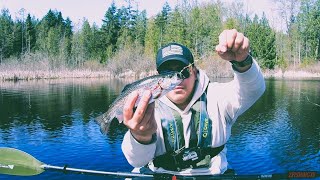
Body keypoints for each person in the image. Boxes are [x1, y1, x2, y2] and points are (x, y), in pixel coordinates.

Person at [121, 29, 266, 176]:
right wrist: (141, 137)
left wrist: (242, 60)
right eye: (167, 74)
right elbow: (136, 161)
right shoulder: (148, 106)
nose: (177, 81)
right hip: (161, 175)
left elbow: (253, 89)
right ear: (158, 77)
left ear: (195, 72)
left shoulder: (218, 97)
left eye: (182, 72)